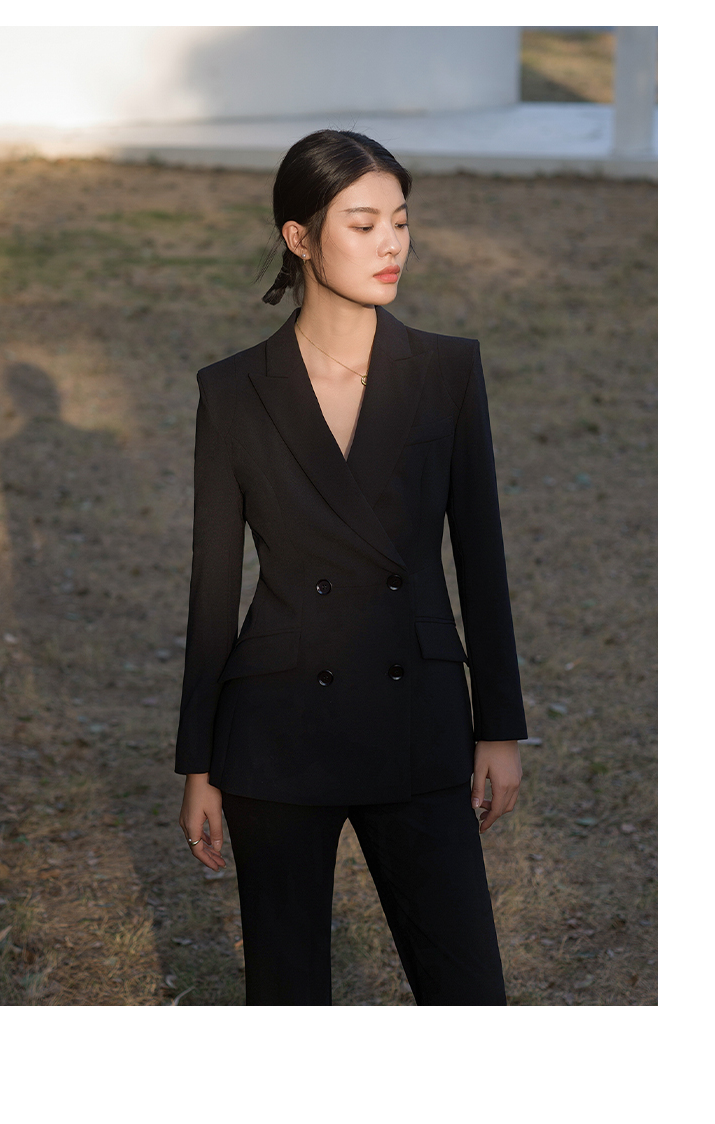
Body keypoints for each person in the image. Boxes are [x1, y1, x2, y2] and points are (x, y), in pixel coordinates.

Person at [175, 129, 527, 1005]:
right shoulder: (233, 390)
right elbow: (212, 589)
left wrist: (499, 728)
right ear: (299, 237)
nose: (391, 245)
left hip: (418, 720)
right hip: (278, 731)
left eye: (400, 221)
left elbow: (481, 557)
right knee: (288, 996)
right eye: (363, 224)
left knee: (469, 994)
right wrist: (198, 764)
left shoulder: (447, 370)